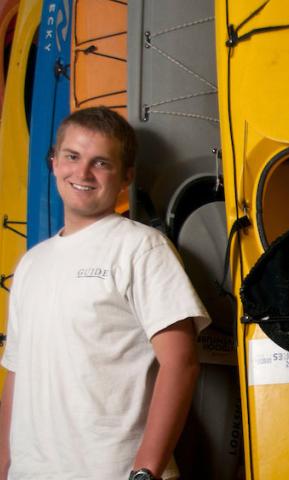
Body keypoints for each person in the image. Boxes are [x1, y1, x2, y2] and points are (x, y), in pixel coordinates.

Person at [0, 107, 210, 479]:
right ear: (54, 163)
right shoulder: (32, 264)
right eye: (72, 157)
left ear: (126, 176)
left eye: (100, 163)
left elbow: (181, 362)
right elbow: (16, 373)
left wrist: (145, 471)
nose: (82, 173)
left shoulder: (141, 248)